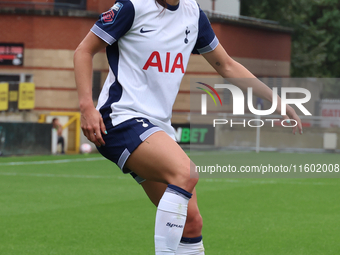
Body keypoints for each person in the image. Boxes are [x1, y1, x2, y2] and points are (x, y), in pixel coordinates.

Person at [74, 0, 303, 254]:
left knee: (191, 223)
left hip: (156, 126)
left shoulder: (193, 15)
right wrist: (87, 106)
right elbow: (83, 51)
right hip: (121, 118)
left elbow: (226, 65)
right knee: (187, 173)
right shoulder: (132, 7)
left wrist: (276, 101)